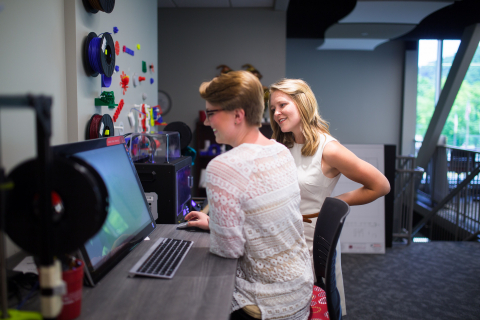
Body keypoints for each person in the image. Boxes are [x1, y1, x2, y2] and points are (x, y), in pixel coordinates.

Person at [185, 71, 314, 320]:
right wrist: (215, 224)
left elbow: (229, 249)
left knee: (186, 297)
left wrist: (220, 231)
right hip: (299, 287)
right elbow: (263, 222)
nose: (206, 122)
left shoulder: (224, 167)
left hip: (268, 303)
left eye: (211, 113)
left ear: (238, 115)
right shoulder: (280, 150)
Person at [268, 78, 391, 316]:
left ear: (302, 103)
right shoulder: (282, 144)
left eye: (282, 105)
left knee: (308, 310)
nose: (276, 113)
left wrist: (337, 203)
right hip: (281, 238)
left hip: (310, 243)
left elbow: (380, 185)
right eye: (273, 108)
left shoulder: (329, 149)